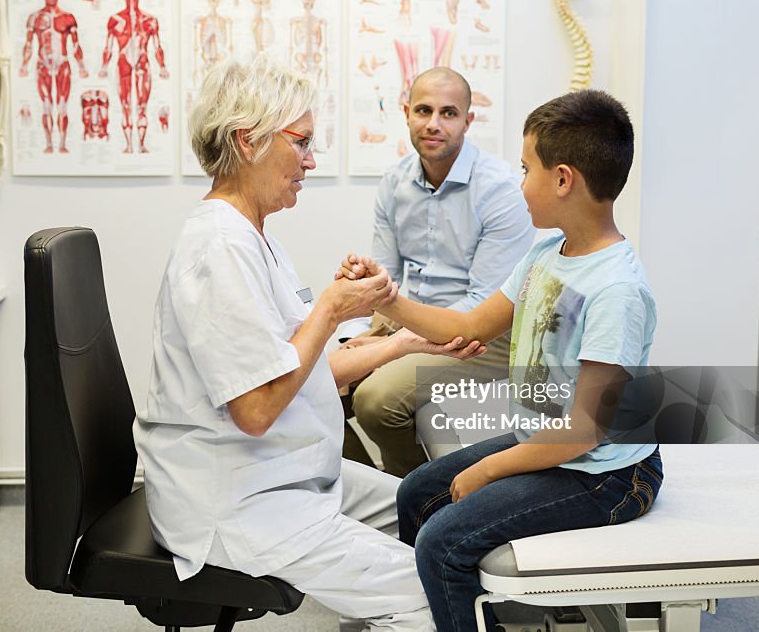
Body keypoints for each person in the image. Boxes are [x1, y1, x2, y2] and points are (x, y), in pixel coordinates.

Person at [134, 55, 487, 630]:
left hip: (283, 471)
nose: (311, 160)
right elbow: (255, 408)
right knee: (437, 593)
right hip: (240, 500)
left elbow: (307, 365)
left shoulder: (250, 237)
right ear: (248, 142)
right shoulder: (220, 247)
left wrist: (407, 346)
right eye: (300, 142)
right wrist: (328, 308)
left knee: (426, 509)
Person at [338, 89, 663, 632]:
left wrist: (486, 469)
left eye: (526, 169)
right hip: (547, 442)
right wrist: (388, 300)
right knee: (418, 491)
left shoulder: (617, 290)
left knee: (444, 541)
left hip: (606, 474)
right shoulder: (544, 255)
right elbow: (467, 326)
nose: (520, 184)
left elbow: (584, 430)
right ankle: (426, 616)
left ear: (563, 180)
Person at [343, 66, 534, 477]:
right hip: (414, 320)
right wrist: (365, 324)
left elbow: (480, 310)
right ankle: (366, 492)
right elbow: (384, 285)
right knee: (314, 385)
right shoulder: (394, 184)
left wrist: (397, 344)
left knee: (375, 400)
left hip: (486, 335)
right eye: (424, 110)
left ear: (469, 120)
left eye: (448, 113)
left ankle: (415, 499)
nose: (434, 124)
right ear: (406, 112)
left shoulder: (501, 189)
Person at [19, 0, 89, 154]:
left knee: (63, 105)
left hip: (62, 64)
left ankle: (63, 143)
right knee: (47, 105)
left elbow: (75, 44)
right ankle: (49, 144)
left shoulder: (68, 17)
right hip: (43, 64)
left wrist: (81, 66)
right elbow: (28, 44)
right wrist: (24, 64)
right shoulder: (34, 17)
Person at [99, 0, 169, 154]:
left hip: (142, 63)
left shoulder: (150, 21)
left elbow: (156, 46)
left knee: (141, 106)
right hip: (123, 62)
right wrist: (104, 66)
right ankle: (129, 144)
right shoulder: (115, 20)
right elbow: (108, 46)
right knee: (125, 105)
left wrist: (162, 66)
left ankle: (141, 144)